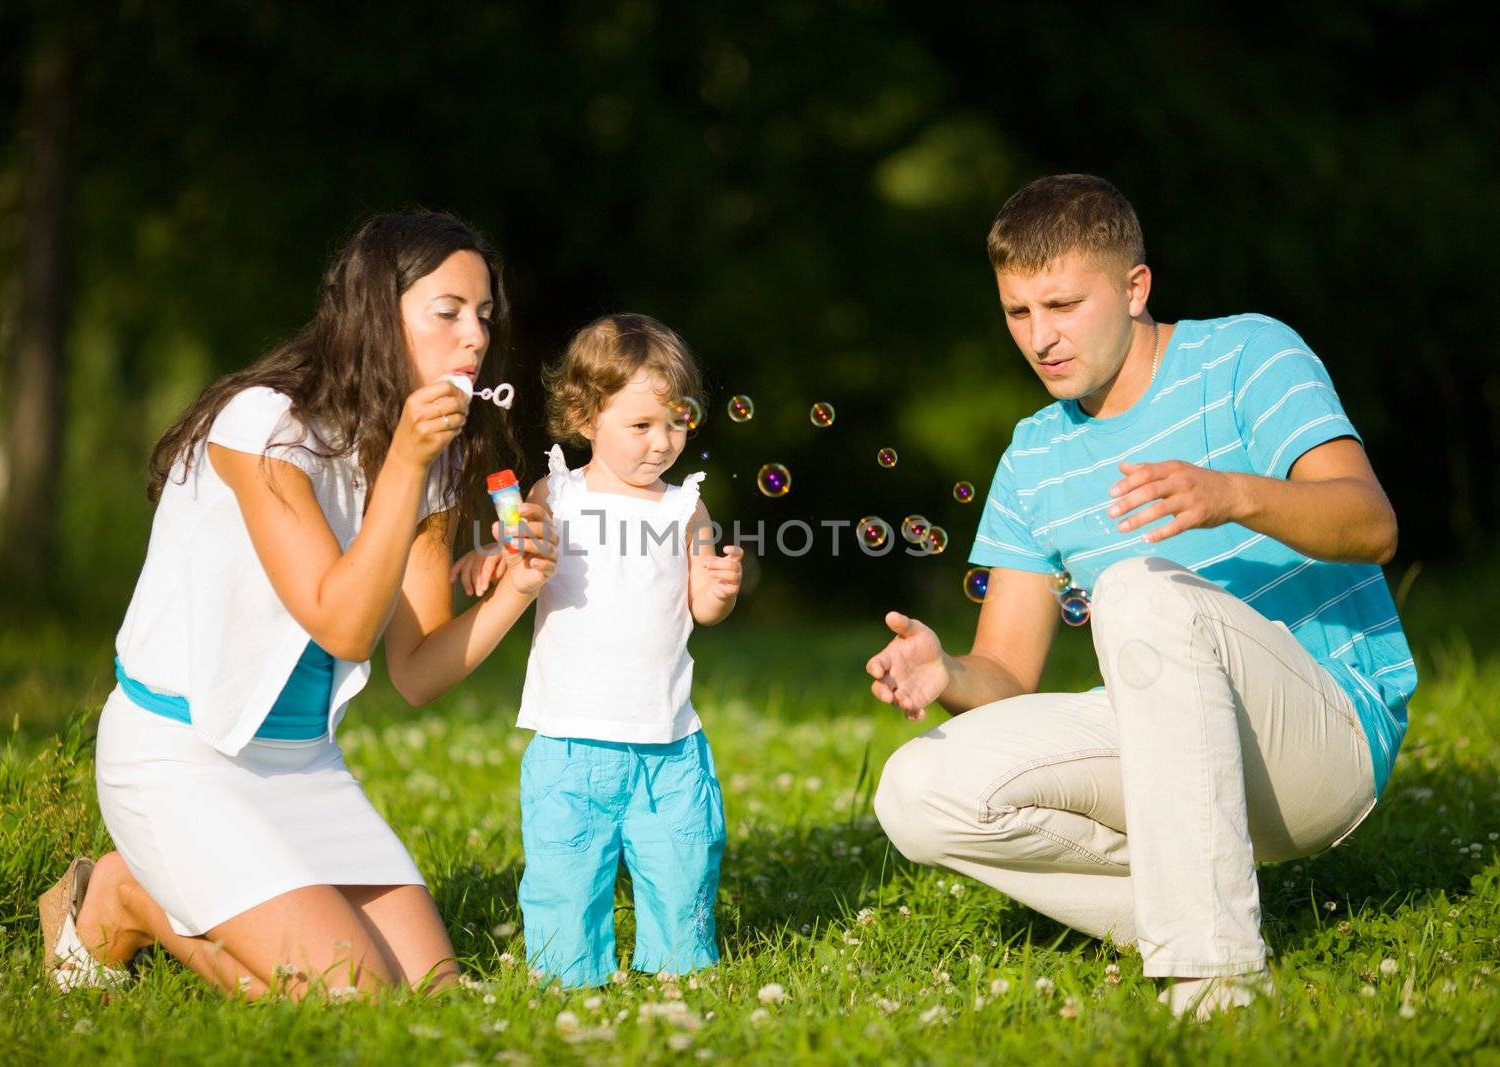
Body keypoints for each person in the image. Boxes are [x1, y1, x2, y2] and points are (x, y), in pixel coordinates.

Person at [866, 174, 1415, 1019]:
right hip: (1174, 749)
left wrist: (1233, 495)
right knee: (916, 789)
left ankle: (1215, 979)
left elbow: (1371, 523)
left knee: (1136, 588)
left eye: (1063, 305)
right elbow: (1008, 674)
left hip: (1324, 730)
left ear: (1134, 287)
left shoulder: (1248, 354)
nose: (1041, 338)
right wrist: (949, 672)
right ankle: (1201, 895)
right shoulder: (1034, 456)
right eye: (1019, 313)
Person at [37, 211, 559, 1000]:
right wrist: (405, 466)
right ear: (377, 315)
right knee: (354, 997)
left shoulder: (437, 457)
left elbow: (416, 671)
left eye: (484, 315)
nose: (475, 337)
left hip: (301, 763)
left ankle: (163, 894)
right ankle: (131, 895)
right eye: (447, 311)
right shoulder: (265, 425)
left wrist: (519, 586)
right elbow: (340, 620)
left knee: (435, 996)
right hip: (182, 754)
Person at [457, 314, 744, 987]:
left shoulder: (685, 508)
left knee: (683, 855)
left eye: (675, 423)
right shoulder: (556, 491)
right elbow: (522, 544)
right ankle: (567, 973)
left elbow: (703, 607)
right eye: (641, 425)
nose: (662, 441)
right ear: (586, 418)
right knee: (566, 865)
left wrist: (720, 587)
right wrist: (491, 554)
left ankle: (681, 965)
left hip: (668, 733)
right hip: (571, 735)